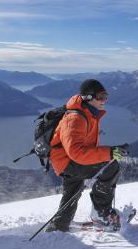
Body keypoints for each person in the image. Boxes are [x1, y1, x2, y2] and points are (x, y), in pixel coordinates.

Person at [46, 79, 130, 232]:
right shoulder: (75, 118)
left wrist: (110, 151)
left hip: (65, 162)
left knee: (73, 191)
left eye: (106, 96)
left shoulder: (88, 113)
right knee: (110, 166)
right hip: (69, 161)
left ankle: (59, 225)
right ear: (88, 98)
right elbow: (77, 152)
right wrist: (110, 153)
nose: (104, 100)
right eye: (100, 96)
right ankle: (101, 214)